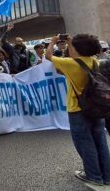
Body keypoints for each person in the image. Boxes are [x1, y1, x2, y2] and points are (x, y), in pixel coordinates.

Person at [46, 34, 110, 186]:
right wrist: (70, 42)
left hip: (78, 109)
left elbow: (48, 56)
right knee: (100, 141)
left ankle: (94, 176)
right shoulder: (94, 62)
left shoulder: (70, 63)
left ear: (77, 48)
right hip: (97, 106)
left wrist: (53, 42)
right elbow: (77, 56)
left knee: (85, 142)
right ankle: (107, 176)